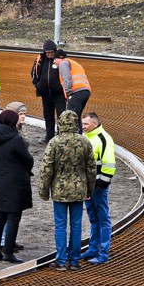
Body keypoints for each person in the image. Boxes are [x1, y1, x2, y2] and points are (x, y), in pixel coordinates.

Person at [38, 110, 95, 271]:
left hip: (60, 190)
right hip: (79, 189)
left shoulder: (55, 142)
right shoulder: (84, 142)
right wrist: (89, 190)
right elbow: (91, 168)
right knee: (76, 225)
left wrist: (44, 191)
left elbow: (46, 168)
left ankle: (61, 260)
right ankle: (75, 260)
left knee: (60, 225)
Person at [0, 109, 34, 264]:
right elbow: (28, 160)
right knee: (14, 217)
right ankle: (8, 252)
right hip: (15, 183)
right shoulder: (15, 139)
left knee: (0, 215)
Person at [80, 112, 116, 265]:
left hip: (97, 186)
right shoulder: (87, 136)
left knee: (103, 218)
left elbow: (109, 164)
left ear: (94, 124)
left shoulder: (103, 138)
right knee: (94, 217)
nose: (83, 127)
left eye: (86, 124)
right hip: (89, 186)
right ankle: (93, 248)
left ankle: (103, 252)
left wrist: (101, 185)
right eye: (83, 124)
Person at [31, 40, 66, 144]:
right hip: (46, 94)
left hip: (59, 94)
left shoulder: (60, 60)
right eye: (47, 52)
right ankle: (49, 137)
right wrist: (37, 85)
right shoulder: (40, 60)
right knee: (48, 116)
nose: (50, 54)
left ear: (55, 51)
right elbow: (33, 73)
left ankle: (61, 138)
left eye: (51, 52)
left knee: (62, 116)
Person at [55, 49, 91, 132]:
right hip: (85, 92)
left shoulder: (63, 63)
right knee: (77, 117)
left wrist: (68, 93)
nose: (54, 62)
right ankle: (79, 137)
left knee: (71, 118)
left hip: (76, 92)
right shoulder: (74, 63)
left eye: (54, 60)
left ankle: (73, 140)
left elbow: (66, 78)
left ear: (58, 59)